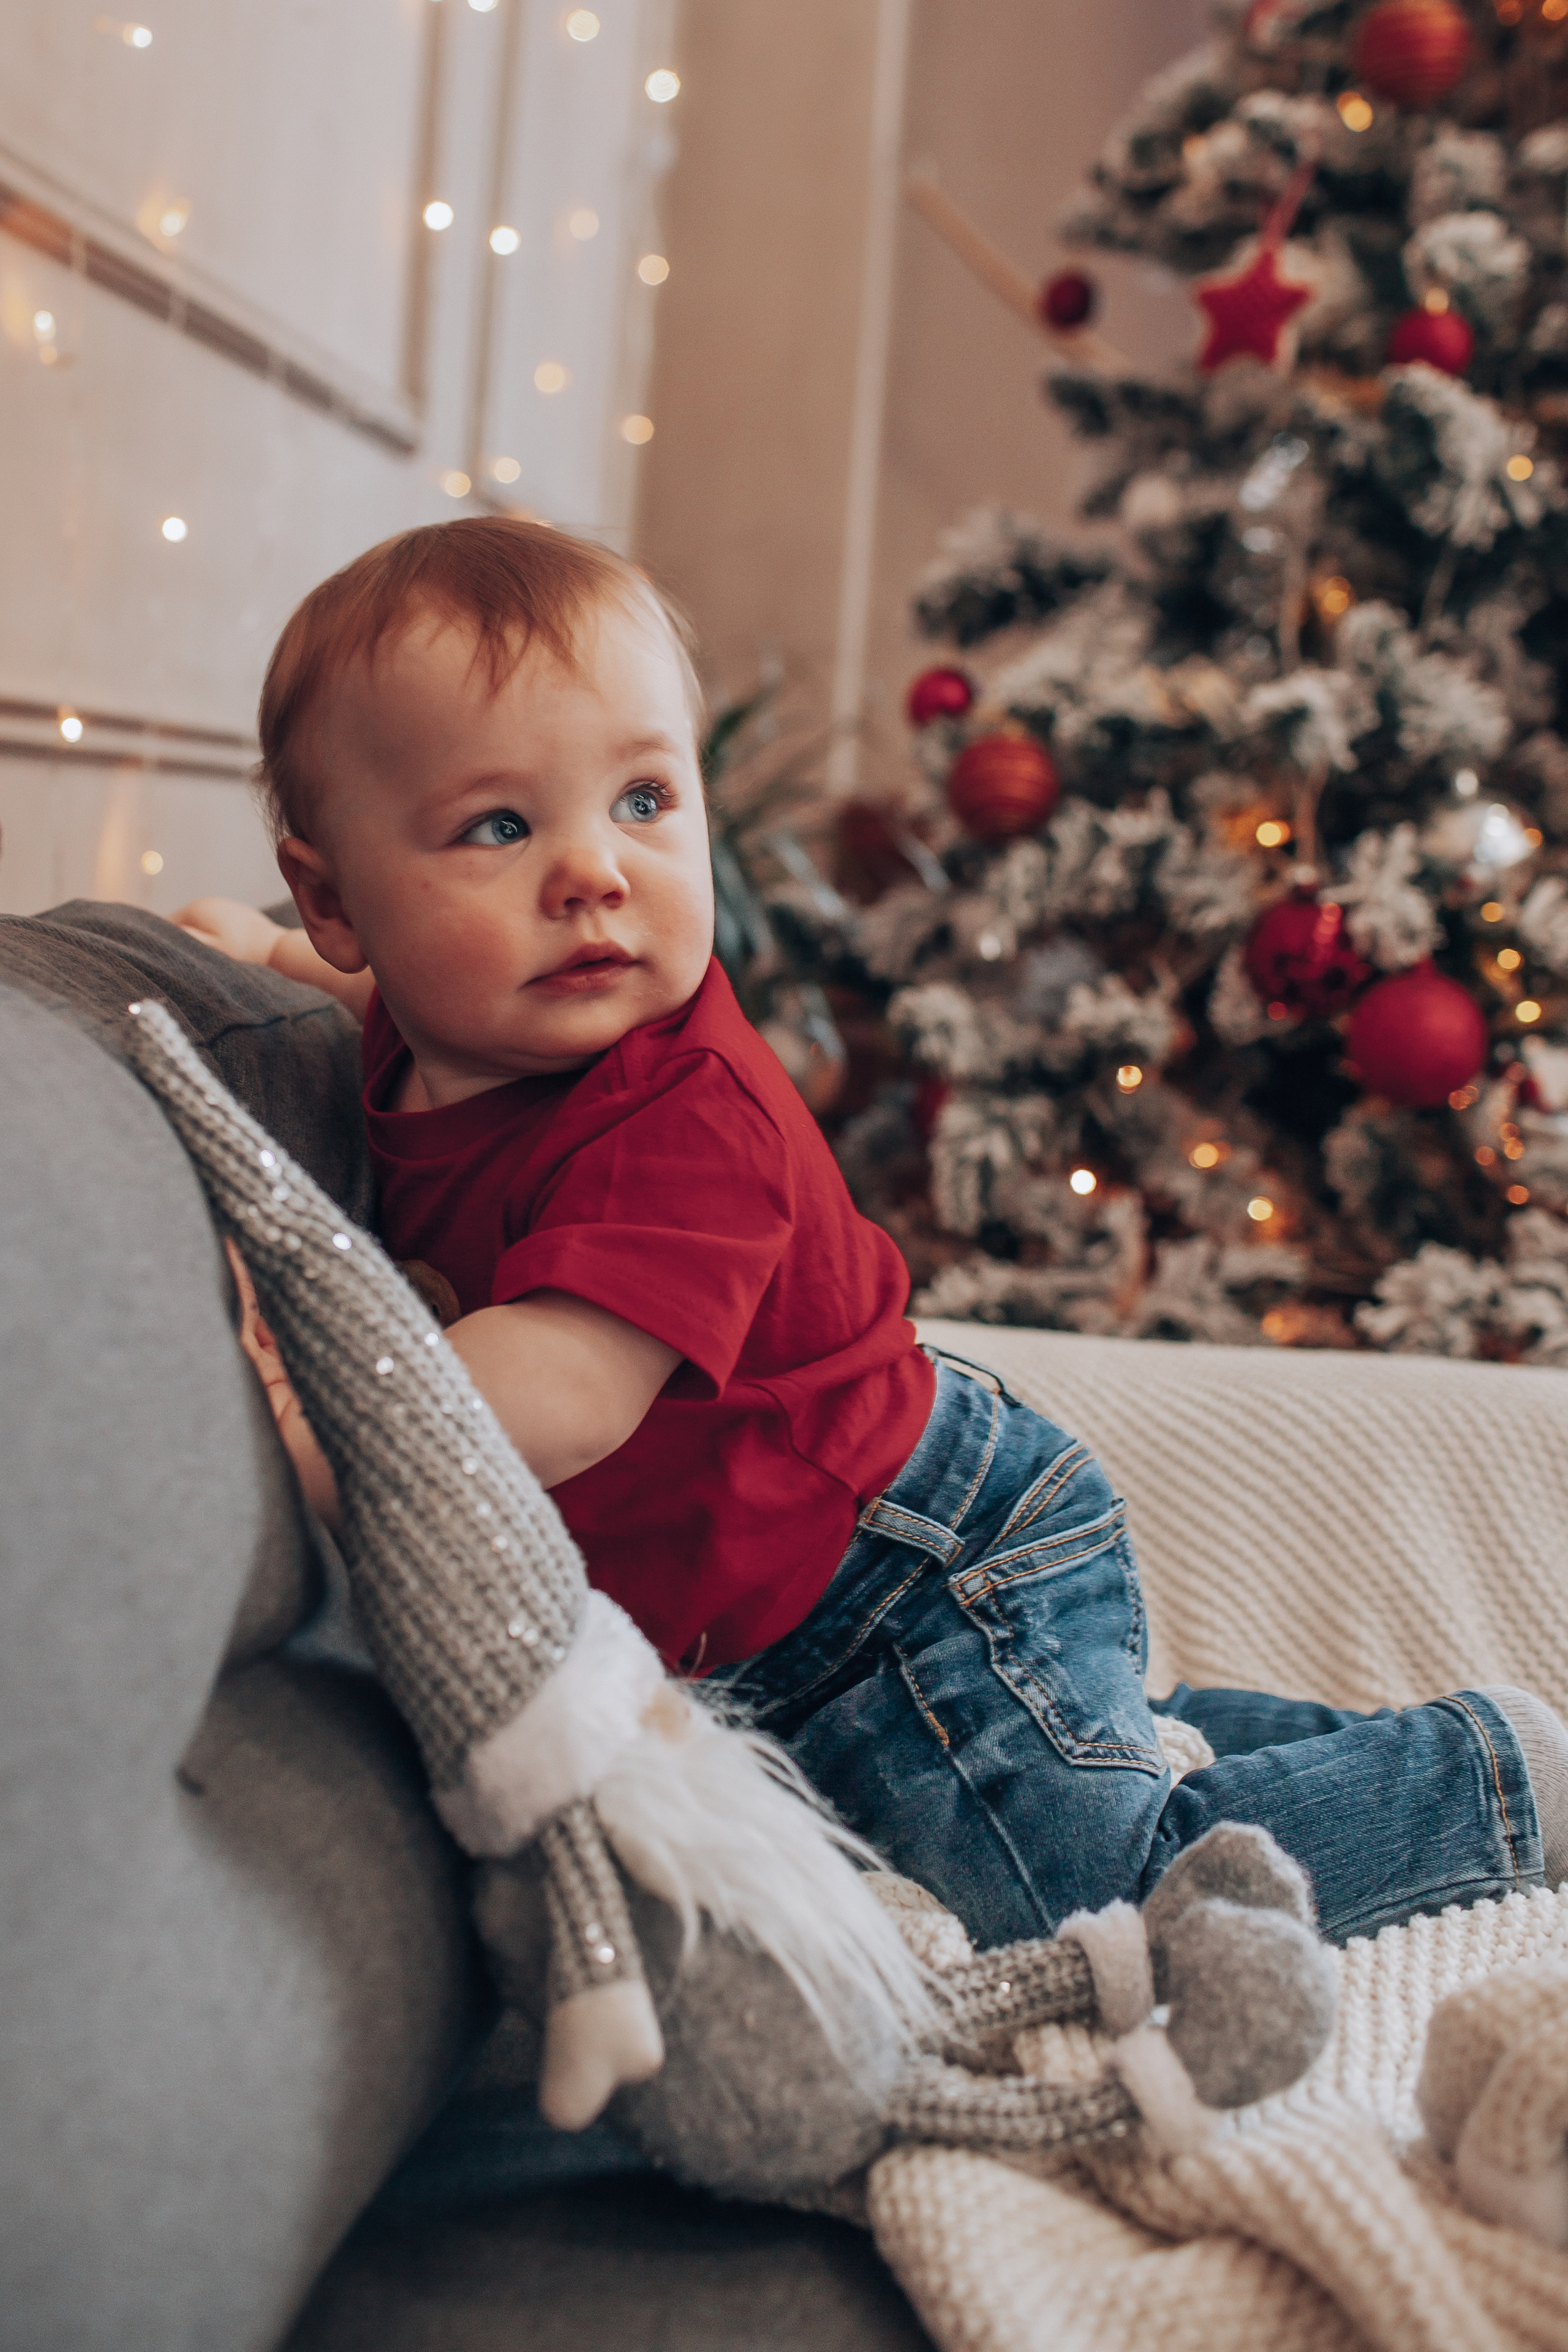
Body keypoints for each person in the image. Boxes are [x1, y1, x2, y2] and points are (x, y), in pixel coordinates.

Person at [179, 514, 1568, 1953]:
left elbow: (563, 1392)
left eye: (644, 800)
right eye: (498, 826)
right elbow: (352, 1010)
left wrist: (310, 1428)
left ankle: (1496, 1778)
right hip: (780, 1618)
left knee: (1077, 1895)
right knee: (1044, 1790)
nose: (593, 871)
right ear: (338, 897)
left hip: (914, 1571)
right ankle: (1167, 1744)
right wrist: (247, 953)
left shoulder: (680, 1111)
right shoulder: (430, 1030)